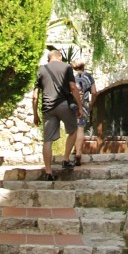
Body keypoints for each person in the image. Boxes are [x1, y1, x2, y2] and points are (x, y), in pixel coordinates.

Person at [32, 49, 83, 181]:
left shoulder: (41, 70)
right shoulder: (66, 67)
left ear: (49, 58)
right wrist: (80, 106)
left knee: (47, 140)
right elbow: (73, 87)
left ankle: (48, 172)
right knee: (73, 131)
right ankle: (65, 159)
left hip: (47, 108)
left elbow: (35, 96)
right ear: (59, 57)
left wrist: (35, 115)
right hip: (64, 105)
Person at [73, 60, 97, 166]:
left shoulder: (70, 77)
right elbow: (94, 92)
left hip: (72, 105)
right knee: (80, 128)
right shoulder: (88, 77)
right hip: (84, 105)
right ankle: (78, 152)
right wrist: (91, 104)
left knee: (73, 129)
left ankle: (74, 149)